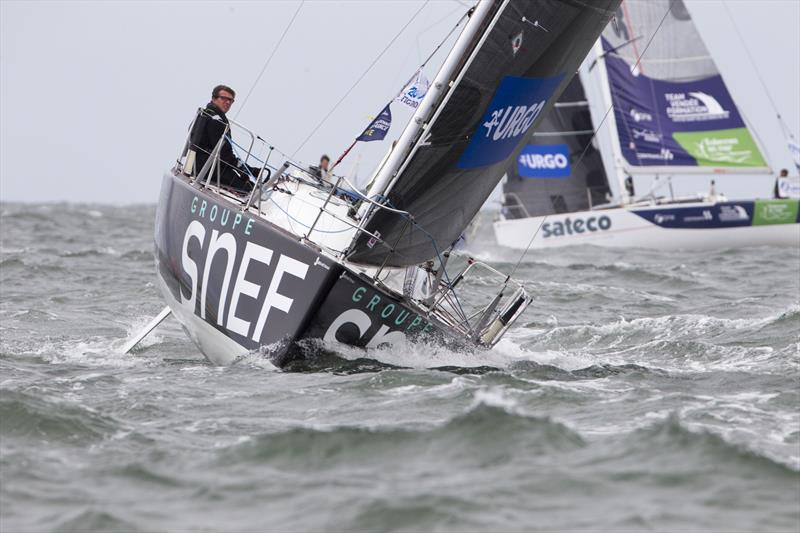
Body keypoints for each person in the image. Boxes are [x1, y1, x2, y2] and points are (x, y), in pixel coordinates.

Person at [188, 85, 257, 193]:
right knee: (249, 190)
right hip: (207, 168)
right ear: (214, 98)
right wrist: (248, 170)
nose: (228, 102)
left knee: (246, 184)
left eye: (231, 100)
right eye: (224, 98)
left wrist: (242, 172)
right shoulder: (216, 121)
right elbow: (225, 155)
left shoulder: (205, 113)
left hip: (200, 165)